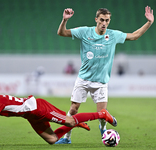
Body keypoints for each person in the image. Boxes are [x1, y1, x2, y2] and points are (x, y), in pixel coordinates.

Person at [55, 6, 154, 144]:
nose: (104, 23)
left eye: (107, 20)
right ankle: (67, 138)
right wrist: (64, 20)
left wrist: (149, 22)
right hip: (83, 80)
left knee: (102, 114)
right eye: (102, 20)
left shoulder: (113, 35)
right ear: (96, 19)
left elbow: (135, 36)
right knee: (73, 109)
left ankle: (104, 132)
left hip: (101, 82)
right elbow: (62, 33)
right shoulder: (85, 32)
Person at [0, 80, 117, 148]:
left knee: (68, 121)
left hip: (37, 108)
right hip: (30, 116)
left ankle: (102, 114)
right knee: (52, 140)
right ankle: (75, 123)